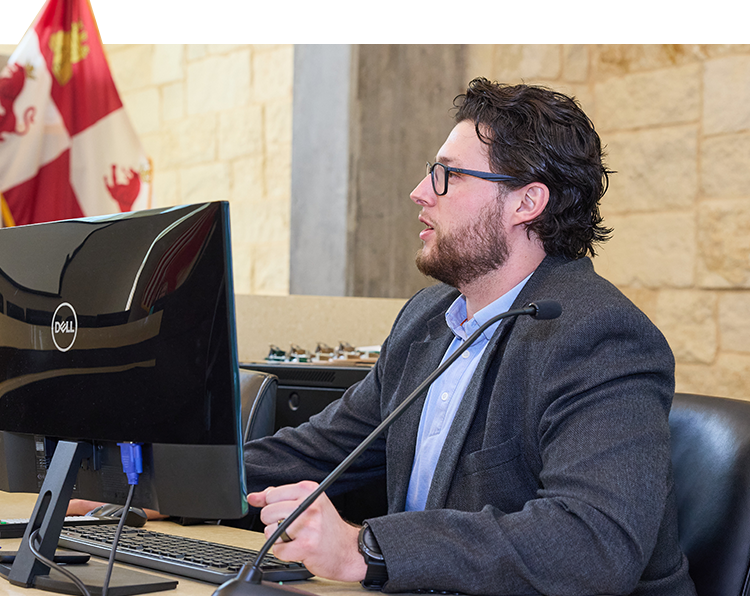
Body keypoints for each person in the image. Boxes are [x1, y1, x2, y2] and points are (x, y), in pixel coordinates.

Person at [243, 78, 696, 595]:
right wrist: (168, 483)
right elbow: (321, 453)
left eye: (447, 176)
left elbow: (593, 540)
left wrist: (366, 549)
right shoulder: (428, 317)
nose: (418, 191)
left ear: (526, 202)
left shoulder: (600, 337)